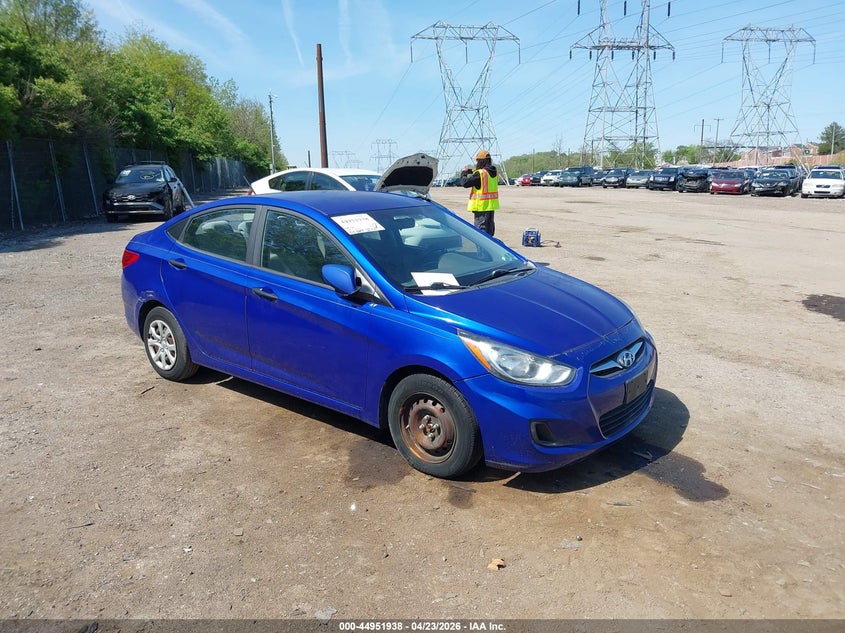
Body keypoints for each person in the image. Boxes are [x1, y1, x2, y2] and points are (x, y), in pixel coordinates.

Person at [460, 149, 499, 236]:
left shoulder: (480, 174)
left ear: (480, 161)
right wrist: (471, 171)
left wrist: (463, 173)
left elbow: (465, 183)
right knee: (489, 231)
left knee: (481, 233)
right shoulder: (493, 172)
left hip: (481, 208)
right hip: (490, 207)